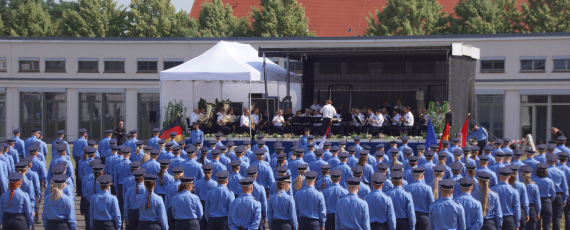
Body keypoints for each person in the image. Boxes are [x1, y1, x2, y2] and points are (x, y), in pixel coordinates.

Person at [520, 165, 541, 230]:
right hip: (532, 209)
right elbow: (537, 201)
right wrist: (538, 212)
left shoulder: (520, 185)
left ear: (521, 174)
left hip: (522, 209)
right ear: (530, 174)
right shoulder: (534, 186)